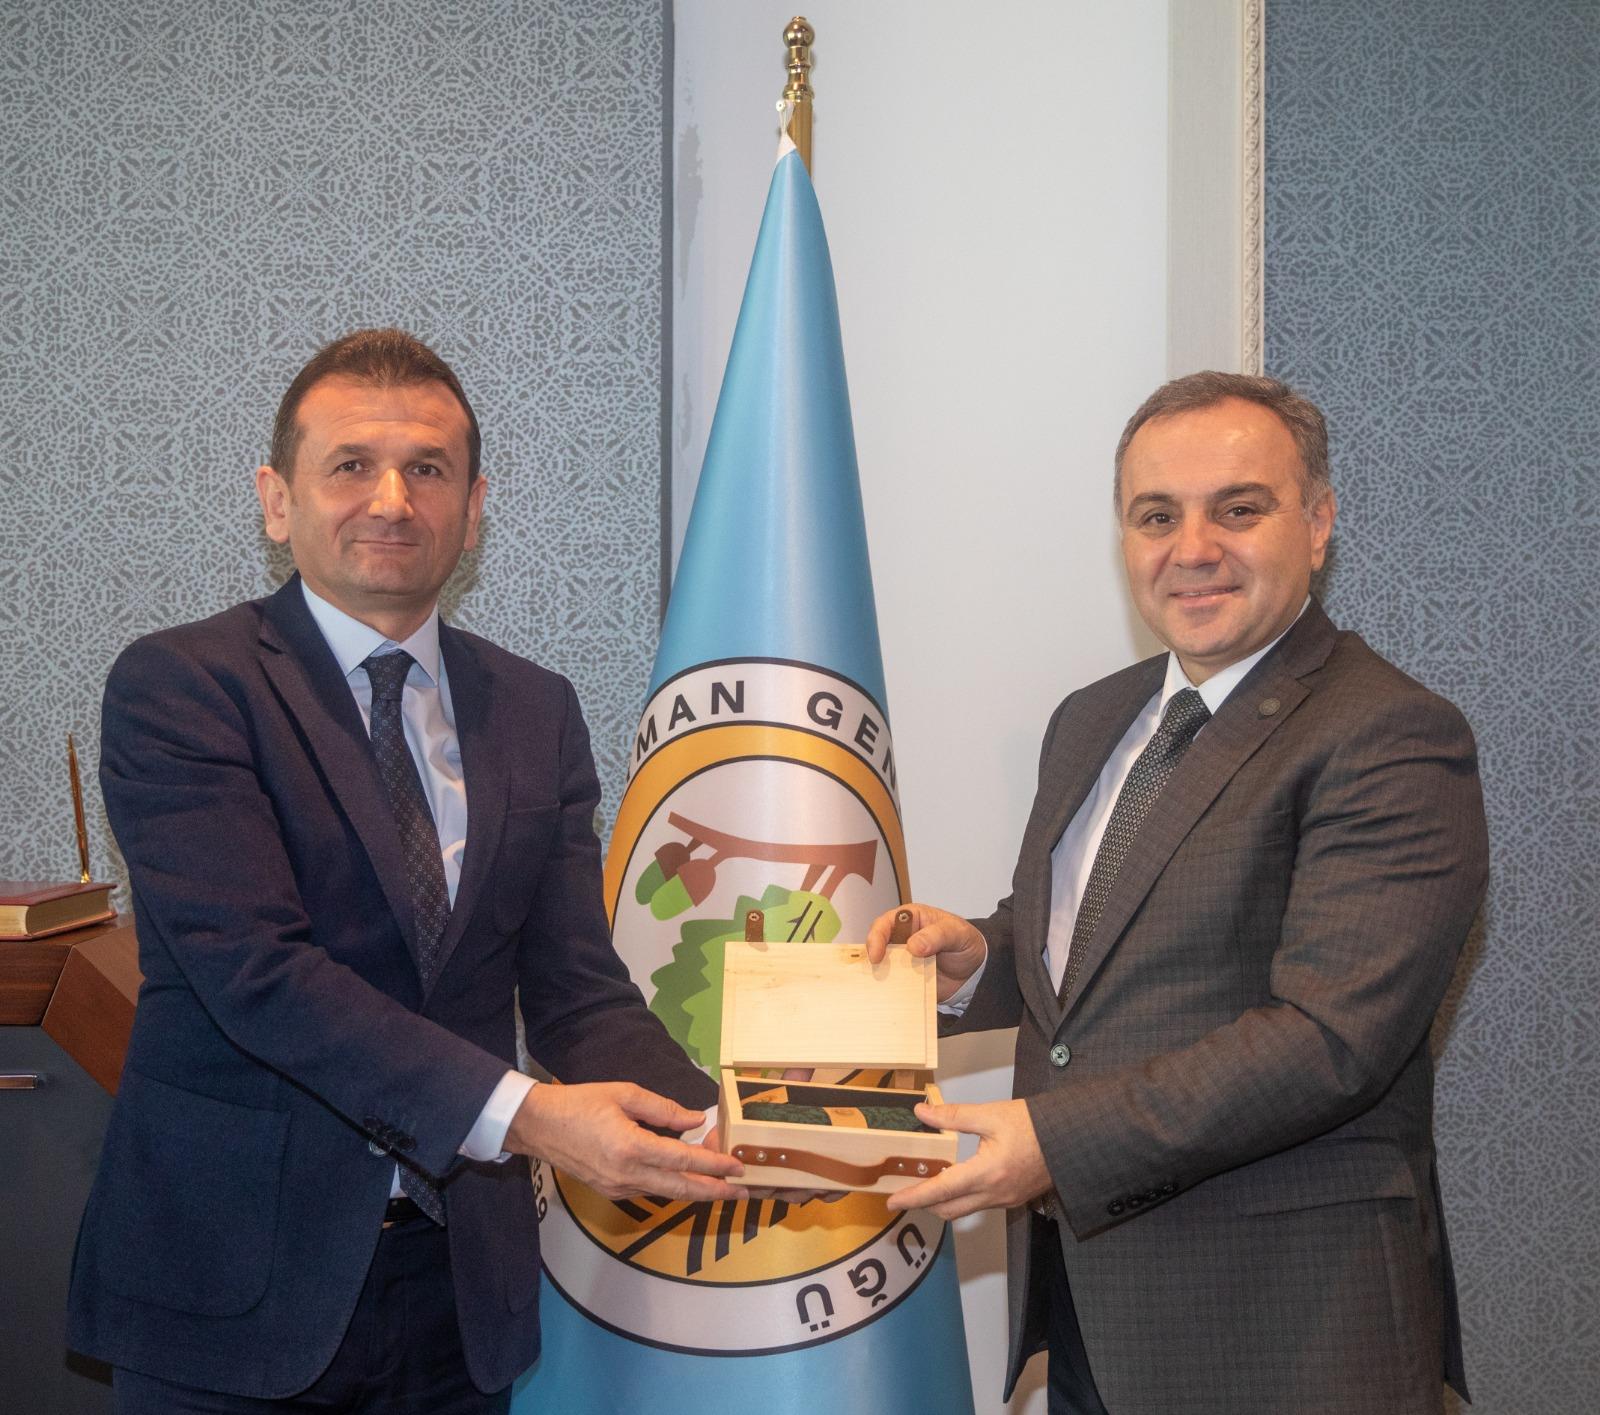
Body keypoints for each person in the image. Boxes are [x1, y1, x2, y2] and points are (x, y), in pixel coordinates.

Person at [68, 329, 745, 1414]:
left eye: (427, 468)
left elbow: (576, 989)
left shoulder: (536, 709)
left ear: (473, 509)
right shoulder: (183, 686)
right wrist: (531, 1117)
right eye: (351, 464)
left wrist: (734, 1129)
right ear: (277, 500)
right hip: (236, 1288)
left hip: (458, 1296)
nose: (392, 499)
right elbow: (259, 975)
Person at [868, 372, 1487, 1415]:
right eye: (1156, 515)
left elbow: (1330, 1039)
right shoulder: (1093, 717)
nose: (1191, 548)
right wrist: (983, 957)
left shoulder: (1389, 734)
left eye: (1237, 509)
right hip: (1090, 1315)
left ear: (1318, 524)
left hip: (1283, 1330)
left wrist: (1055, 1142)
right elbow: (1105, 939)